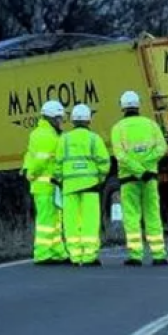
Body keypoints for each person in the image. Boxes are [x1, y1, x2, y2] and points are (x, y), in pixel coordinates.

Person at [111, 90, 168, 267]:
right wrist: (145, 167)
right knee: (152, 214)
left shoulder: (118, 128)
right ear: (138, 105)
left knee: (131, 216)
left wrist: (137, 170)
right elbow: (161, 149)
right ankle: (159, 255)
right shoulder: (151, 125)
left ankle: (135, 255)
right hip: (150, 177)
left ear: (122, 106)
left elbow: (120, 155)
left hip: (129, 179)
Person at [55, 104, 110, 266]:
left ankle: (75, 256)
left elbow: (57, 165)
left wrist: (61, 179)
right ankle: (89, 257)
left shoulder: (64, 139)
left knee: (71, 222)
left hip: (69, 188)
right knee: (90, 222)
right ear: (88, 120)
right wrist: (99, 178)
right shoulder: (94, 139)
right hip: (90, 187)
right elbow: (104, 163)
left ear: (72, 120)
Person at [21, 100, 68, 265]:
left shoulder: (42, 133)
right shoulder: (46, 135)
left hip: (49, 185)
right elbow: (41, 160)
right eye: (60, 118)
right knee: (47, 220)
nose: (62, 121)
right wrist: (31, 173)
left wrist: (29, 171)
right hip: (45, 185)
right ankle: (42, 253)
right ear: (52, 118)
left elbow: (29, 156)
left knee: (54, 220)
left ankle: (57, 251)